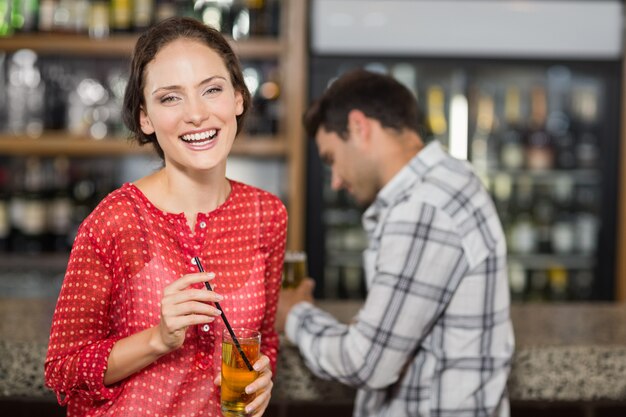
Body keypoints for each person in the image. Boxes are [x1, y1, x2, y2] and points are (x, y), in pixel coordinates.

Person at [45, 16, 286, 417]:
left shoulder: (267, 215)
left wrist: (262, 377)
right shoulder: (116, 219)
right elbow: (63, 370)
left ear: (238, 98)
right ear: (145, 118)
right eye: (170, 97)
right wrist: (158, 338)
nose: (196, 114)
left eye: (212, 90)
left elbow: (265, 342)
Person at [276, 69, 515, 417]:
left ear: (359, 127)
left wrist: (293, 314)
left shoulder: (423, 207)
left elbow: (367, 363)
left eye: (332, 159)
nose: (337, 180)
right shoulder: (447, 181)